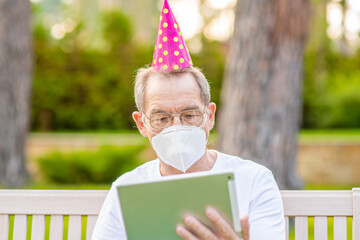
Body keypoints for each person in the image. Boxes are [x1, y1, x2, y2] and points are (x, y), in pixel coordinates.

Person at [92, 67, 285, 240]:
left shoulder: (253, 181)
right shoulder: (126, 189)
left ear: (210, 116)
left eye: (190, 115)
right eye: (161, 118)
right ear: (142, 124)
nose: (177, 128)